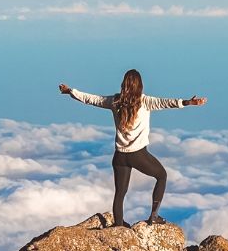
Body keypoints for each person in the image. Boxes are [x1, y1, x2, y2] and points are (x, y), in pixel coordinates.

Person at [59, 69, 207, 227]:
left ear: (123, 84)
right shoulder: (145, 101)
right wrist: (188, 102)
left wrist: (71, 91)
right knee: (162, 176)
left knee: (120, 193)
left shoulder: (114, 101)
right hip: (138, 155)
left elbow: (91, 99)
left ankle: (118, 225)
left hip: (119, 156)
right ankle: (154, 216)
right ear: (140, 86)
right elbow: (166, 103)